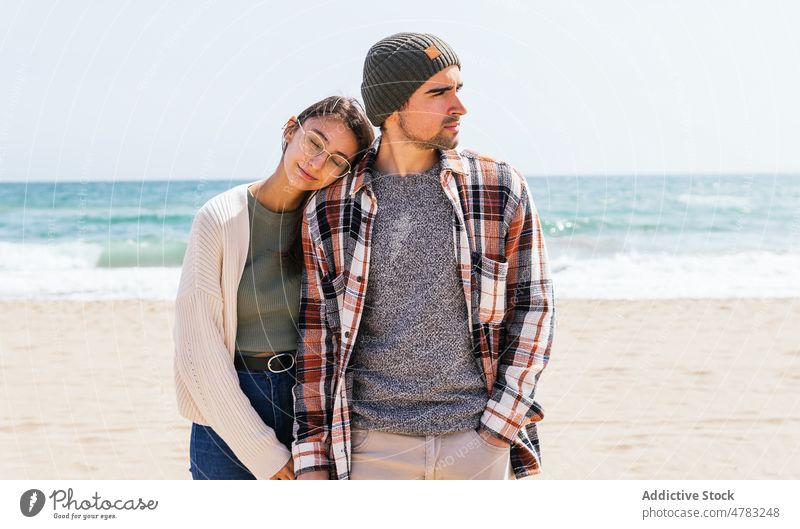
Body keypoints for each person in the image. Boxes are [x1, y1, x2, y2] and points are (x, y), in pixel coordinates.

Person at [292, 33, 555, 480]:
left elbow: (534, 308)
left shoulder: (498, 187)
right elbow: (318, 338)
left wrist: (496, 431)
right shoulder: (331, 206)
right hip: (369, 448)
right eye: (439, 93)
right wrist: (313, 460)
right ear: (393, 108)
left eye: (458, 89)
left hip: (478, 439)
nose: (459, 106)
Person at [173, 96, 374, 480]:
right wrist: (260, 449)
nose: (317, 163)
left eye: (336, 160)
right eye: (314, 142)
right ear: (289, 130)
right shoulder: (219, 217)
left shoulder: (330, 228)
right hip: (230, 404)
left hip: (309, 404)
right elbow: (198, 348)